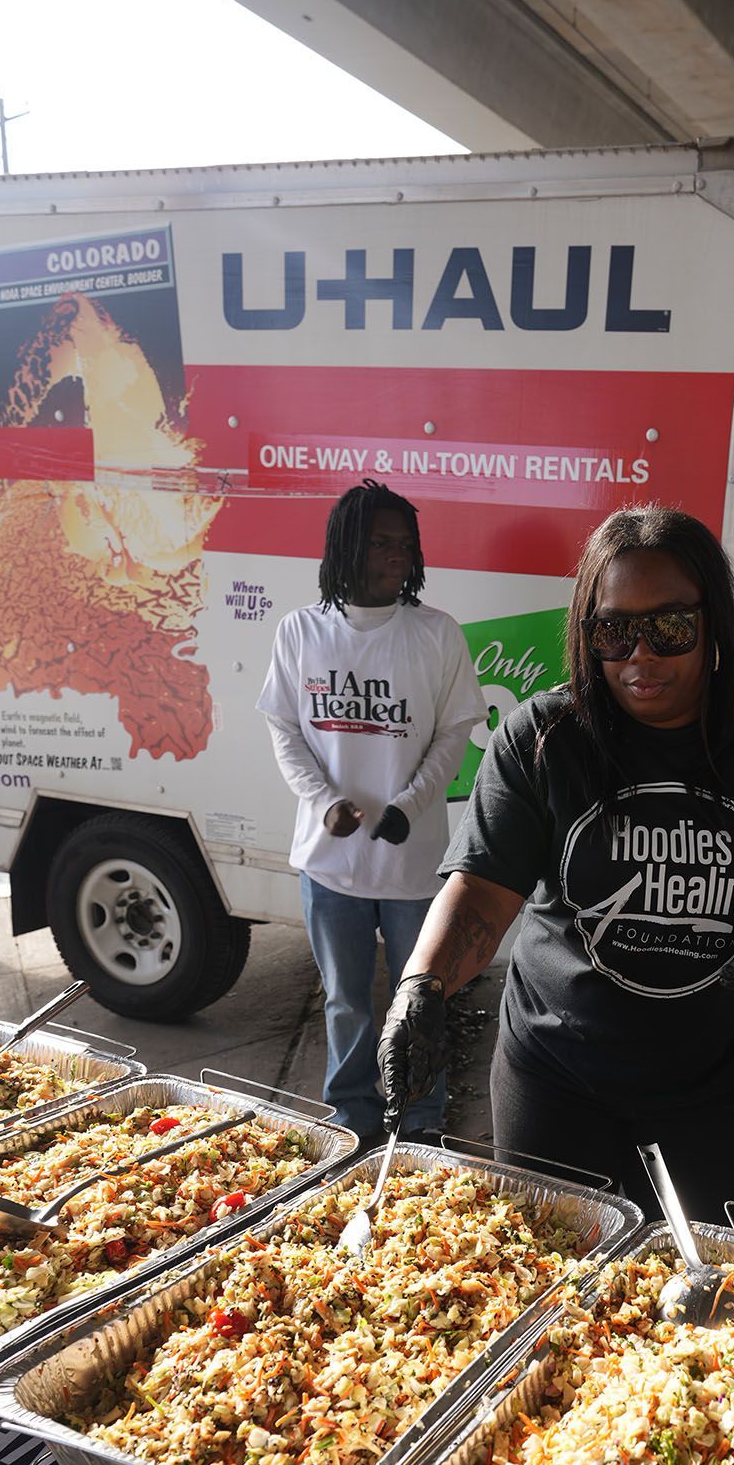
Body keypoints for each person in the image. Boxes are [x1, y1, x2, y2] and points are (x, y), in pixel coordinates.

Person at [377, 503, 734, 1219]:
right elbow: (483, 894)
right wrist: (419, 990)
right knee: (544, 1277)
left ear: (713, 625)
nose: (640, 657)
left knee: (673, 1295)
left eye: (668, 628)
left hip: (710, 1094)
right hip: (554, 1078)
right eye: (613, 631)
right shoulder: (543, 740)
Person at [257, 479, 484, 1143]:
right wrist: (325, 802)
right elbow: (285, 730)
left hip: (415, 872)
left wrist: (411, 805)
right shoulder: (301, 631)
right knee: (347, 1004)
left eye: (405, 545)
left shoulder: (436, 633)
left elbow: (455, 732)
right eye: (382, 543)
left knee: (421, 1003)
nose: (398, 556)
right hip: (329, 872)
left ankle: (419, 1124)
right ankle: (351, 1120)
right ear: (346, 549)